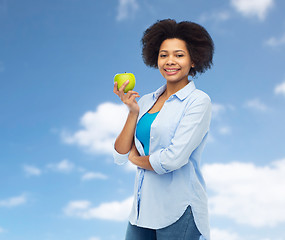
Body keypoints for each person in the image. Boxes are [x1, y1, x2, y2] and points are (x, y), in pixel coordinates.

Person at [113, 19, 214, 240]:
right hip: (141, 211)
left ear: (193, 60)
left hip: (178, 209)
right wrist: (132, 112)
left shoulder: (198, 101)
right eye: (163, 55)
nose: (170, 61)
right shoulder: (146, 100)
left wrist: (136, 159)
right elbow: (120, 153)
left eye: (179, 55)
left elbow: (171, 160)